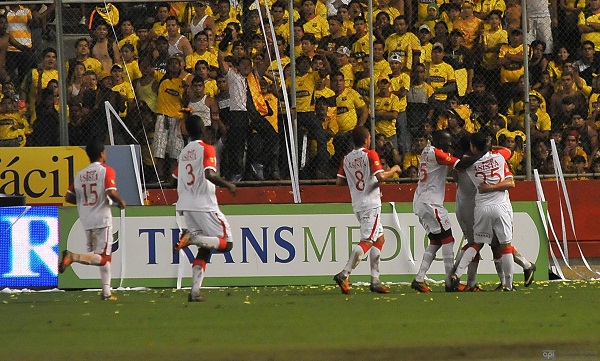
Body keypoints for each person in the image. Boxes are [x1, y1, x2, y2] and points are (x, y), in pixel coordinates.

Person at [174, 114, 237, 302]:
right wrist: (228, 185)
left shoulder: (184, 152)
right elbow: (209, 174)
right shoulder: (207, 149)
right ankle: (191, 238)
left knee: (205, 248)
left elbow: (176, 178)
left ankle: (194, 291)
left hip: (186, 204)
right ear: (202, 130)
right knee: (227, 243)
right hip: (204, 203)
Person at [333, 126, 401, 295]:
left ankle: (375, 280)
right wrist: (394, 169)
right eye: (370, 137)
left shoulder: (346, 158)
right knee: (367, 240)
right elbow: (380, 177)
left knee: (379, 239)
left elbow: (339, 182)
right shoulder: (370, 154)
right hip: (371, 204)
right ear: (366, 140)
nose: (370, 140)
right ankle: (344, 273)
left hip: (357, 203)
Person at [411, 130, 480, 293]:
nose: (449, 146)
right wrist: (482, 155)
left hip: (421, 200)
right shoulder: (436, 153)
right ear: (440, 142)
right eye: (447, 143)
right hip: (431, 203)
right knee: (448, 240)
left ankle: (419, 279)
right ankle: (450, 282)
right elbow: (461, 165)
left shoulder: (427, 151)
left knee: (436, 240)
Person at [58, 140, 126, 301]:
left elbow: (68, 197)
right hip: (102, 217)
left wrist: (84, 202)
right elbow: (111, 192)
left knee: (103, 256)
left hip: (86, 219)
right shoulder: (106, 171)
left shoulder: (80, 174)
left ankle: (106, 293)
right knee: (104, 258)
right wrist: (121, 202)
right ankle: (72, 257)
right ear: (102, 153)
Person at [450, 132, 516, 291]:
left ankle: (457, 274)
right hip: (500, 205)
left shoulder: (467, 165)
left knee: (476, 244)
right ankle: (508, 285)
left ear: (473, 147)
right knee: (505, 246)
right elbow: (509, 151)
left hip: (479, 207)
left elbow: (457, 167)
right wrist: (490, 148)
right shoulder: (500, 157)